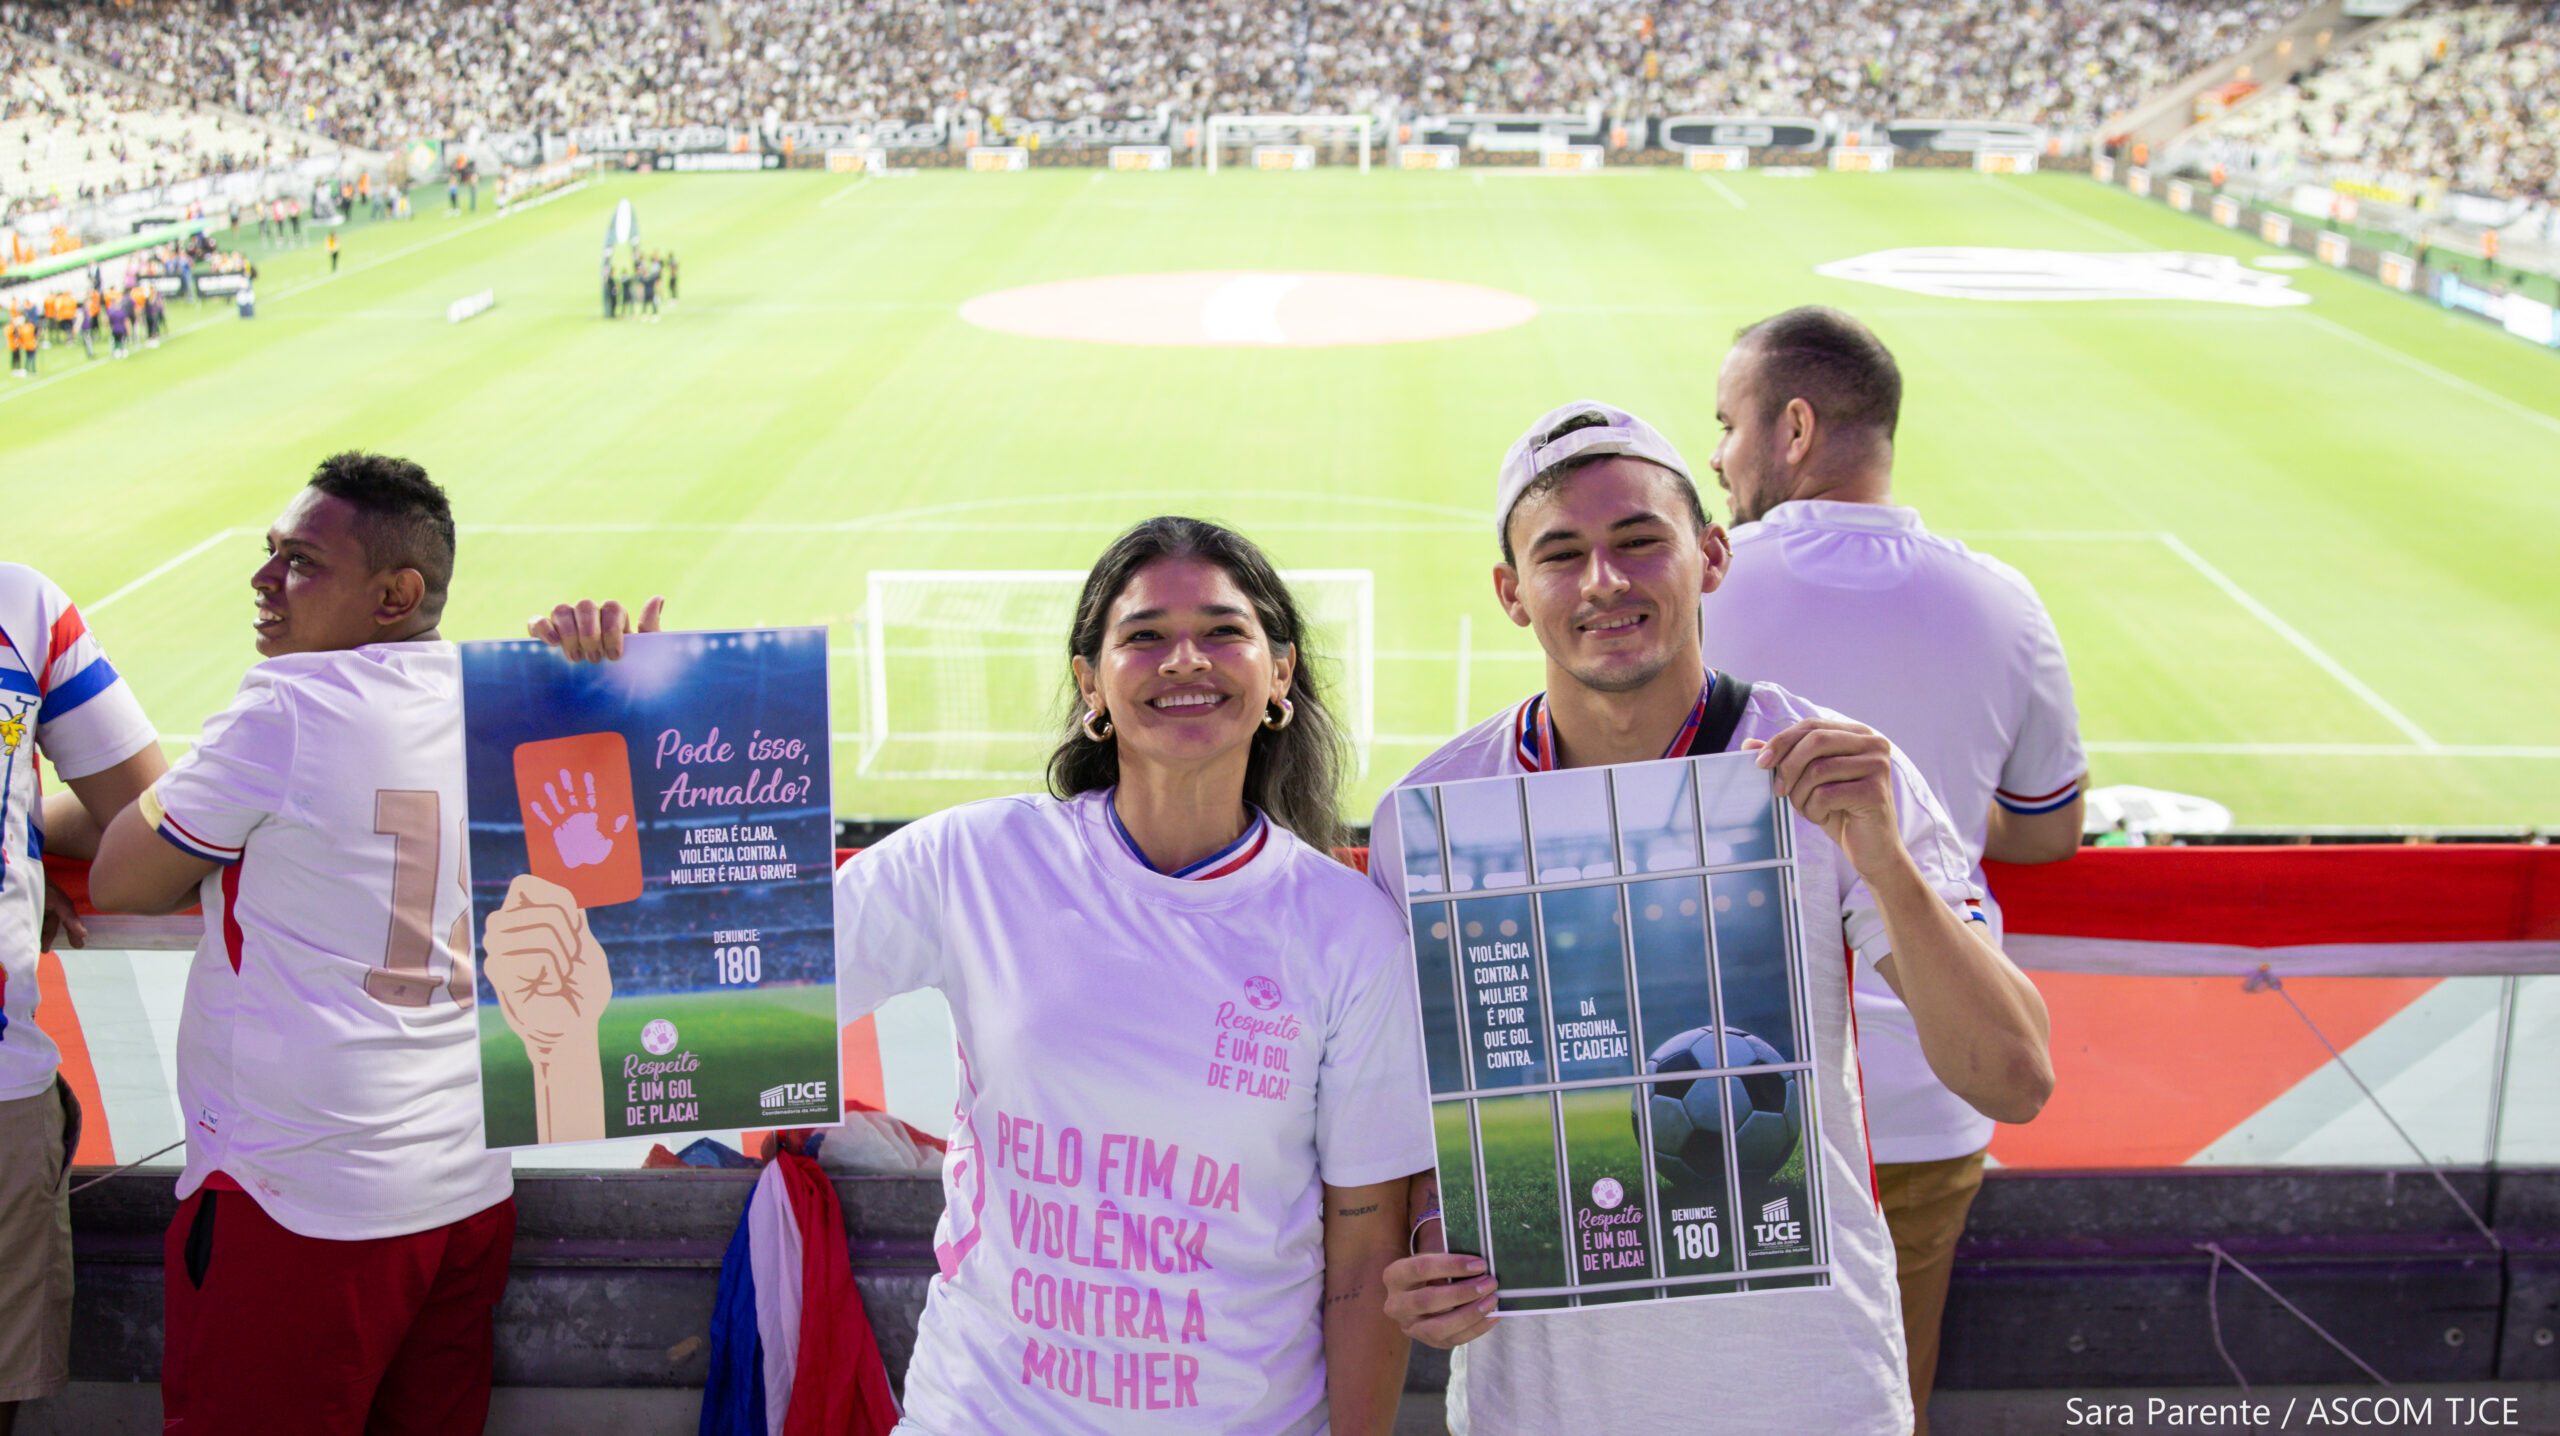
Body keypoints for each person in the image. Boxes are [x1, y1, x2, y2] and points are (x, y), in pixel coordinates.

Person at [531, 516, 1433, 1435]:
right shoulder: (977, 857)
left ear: (1279, 671)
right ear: (1092, 682)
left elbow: (1363, 1251)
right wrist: (609, 735)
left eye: (1223, 631)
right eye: (1145, 636)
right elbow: (717, 994)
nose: (1184, 660)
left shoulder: (1347, 928)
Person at [1373, 401, 2054, 1436]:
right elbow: (1409, 1108)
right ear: (1513, 593)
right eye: (1562, 554)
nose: (1604, 580)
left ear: (1712, 553)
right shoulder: (1431, 816)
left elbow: (2013, 1075)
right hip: (1540, 1404)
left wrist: (1880, 856)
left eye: (1639, 540)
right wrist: (1424, 1233)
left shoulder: (1833, 770)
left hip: (1809, 1392)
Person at [1698, 307, 2086, 1434]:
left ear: (1795, 427)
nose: (1716, 456)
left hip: (1721, 1096)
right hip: (1929, 1094)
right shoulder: (2004, 602)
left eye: (1726, 425)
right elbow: (2048, 830)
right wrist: (1933, 825)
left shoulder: (1701, 591)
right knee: (1878, 1403)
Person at [88, 454, 516, 1436]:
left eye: (300, 559)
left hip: (304, 1203)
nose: (263, 579)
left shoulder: (287, 708)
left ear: (394, 594)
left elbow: (121, 875)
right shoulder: (491, 693)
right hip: (466, 1193)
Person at [0, 563, 165, 1436]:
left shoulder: (25, 605)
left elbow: (140, 817)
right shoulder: (19, 605)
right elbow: (142, 814)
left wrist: (22, 846)